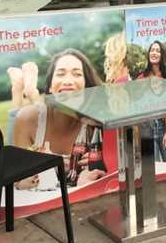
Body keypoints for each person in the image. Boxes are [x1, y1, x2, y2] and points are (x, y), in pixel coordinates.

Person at [10, 49, 106, 189]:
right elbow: (16, 180)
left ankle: (30, 92)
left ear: (87, 86)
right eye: (60, 74)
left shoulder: (98, 123)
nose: (68, 80)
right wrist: (22, 183)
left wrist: (98, 171)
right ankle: (24, 91)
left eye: (77, 74)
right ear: (50, 87)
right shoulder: (27, 120)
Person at [136, 40, 166, 162]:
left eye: (158, 51)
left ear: (162, 55)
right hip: (148, 128)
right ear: (148, 54)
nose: (154, 53)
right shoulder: (141, 78)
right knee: (155, 168)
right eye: (152, 50)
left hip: (165, 126)